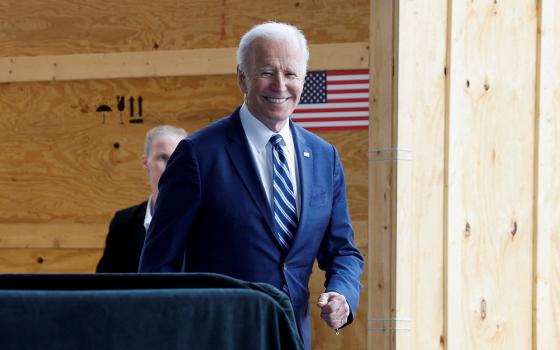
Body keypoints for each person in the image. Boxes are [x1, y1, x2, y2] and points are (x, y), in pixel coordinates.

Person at [139, 22, 364, 348]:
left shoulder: (323, 157)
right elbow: (158, 265)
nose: (280, 85)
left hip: (292, 338)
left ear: (303, 79)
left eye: (291, 73)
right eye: (266, 72)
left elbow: (343, 251)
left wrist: (342, 294)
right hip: (215, 339)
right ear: (242, 77)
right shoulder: (198, 155)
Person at [96, 125, 187, 273]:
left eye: (178, 158)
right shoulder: (124, 223)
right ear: (146, 163)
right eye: (162, 157)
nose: (171, 166)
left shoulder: (203, 222)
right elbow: (104, 285)